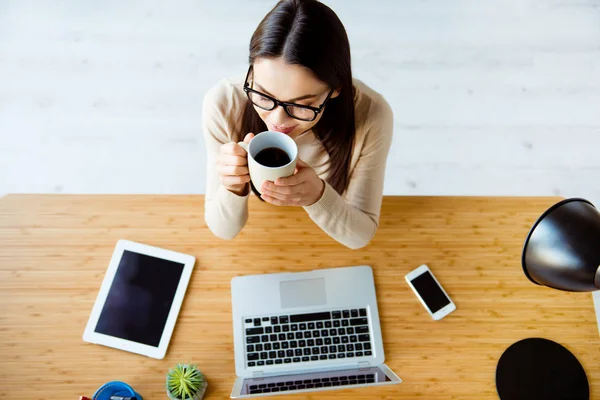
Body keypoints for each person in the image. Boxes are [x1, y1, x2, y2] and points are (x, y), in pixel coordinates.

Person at [202, 0, 393, 249]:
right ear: (251, 72)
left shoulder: (371, 114)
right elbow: (223, 231)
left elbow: (360, 235)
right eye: (263, 95)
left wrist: (317, 196)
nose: (278, 120)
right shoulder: (224, 102)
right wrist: (233, 188)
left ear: (336, 89)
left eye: (302, 104)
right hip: (263, 238)